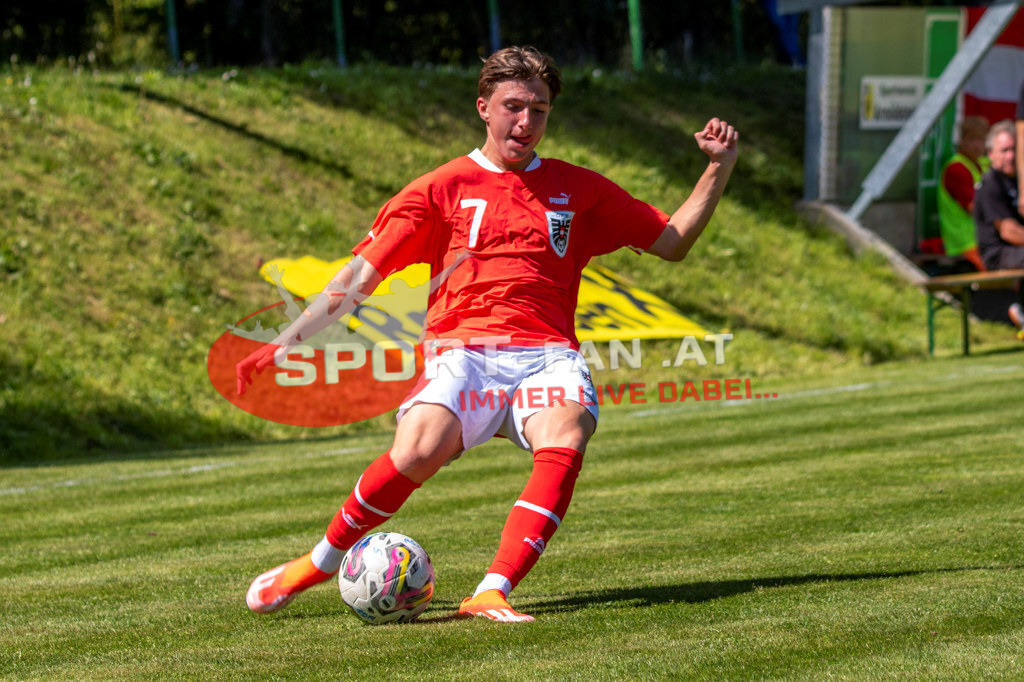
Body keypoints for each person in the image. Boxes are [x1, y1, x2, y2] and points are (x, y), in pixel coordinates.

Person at [237, 46, 739, 622]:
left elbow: (671, 241)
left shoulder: (578, 189)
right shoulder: (440, 188)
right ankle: (319, 563)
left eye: (539, 110)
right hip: (463, 351)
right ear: (483, 107)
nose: (526, 122)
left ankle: (491, 590)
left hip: (547, 354)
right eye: (513, 107)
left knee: (567, 433)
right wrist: (285, 340)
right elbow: (358, 278)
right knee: (417, 451)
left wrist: (718, 166)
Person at [973, 119, 1024, 333]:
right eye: (1004, 150)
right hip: (998, 254)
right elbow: (1008, 232)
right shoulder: (990, 184)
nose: (1010, 156)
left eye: (1014, 150)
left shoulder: (1018, 180)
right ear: (990, 154)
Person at [937, 116, 989, 271]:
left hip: (983, 239)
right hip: (964, 244)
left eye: (981, 139)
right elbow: (975, 209)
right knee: (999, 272)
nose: (977, 145)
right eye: (972, 139)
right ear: (961, 141)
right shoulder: (956, 168)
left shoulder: (983, 164)